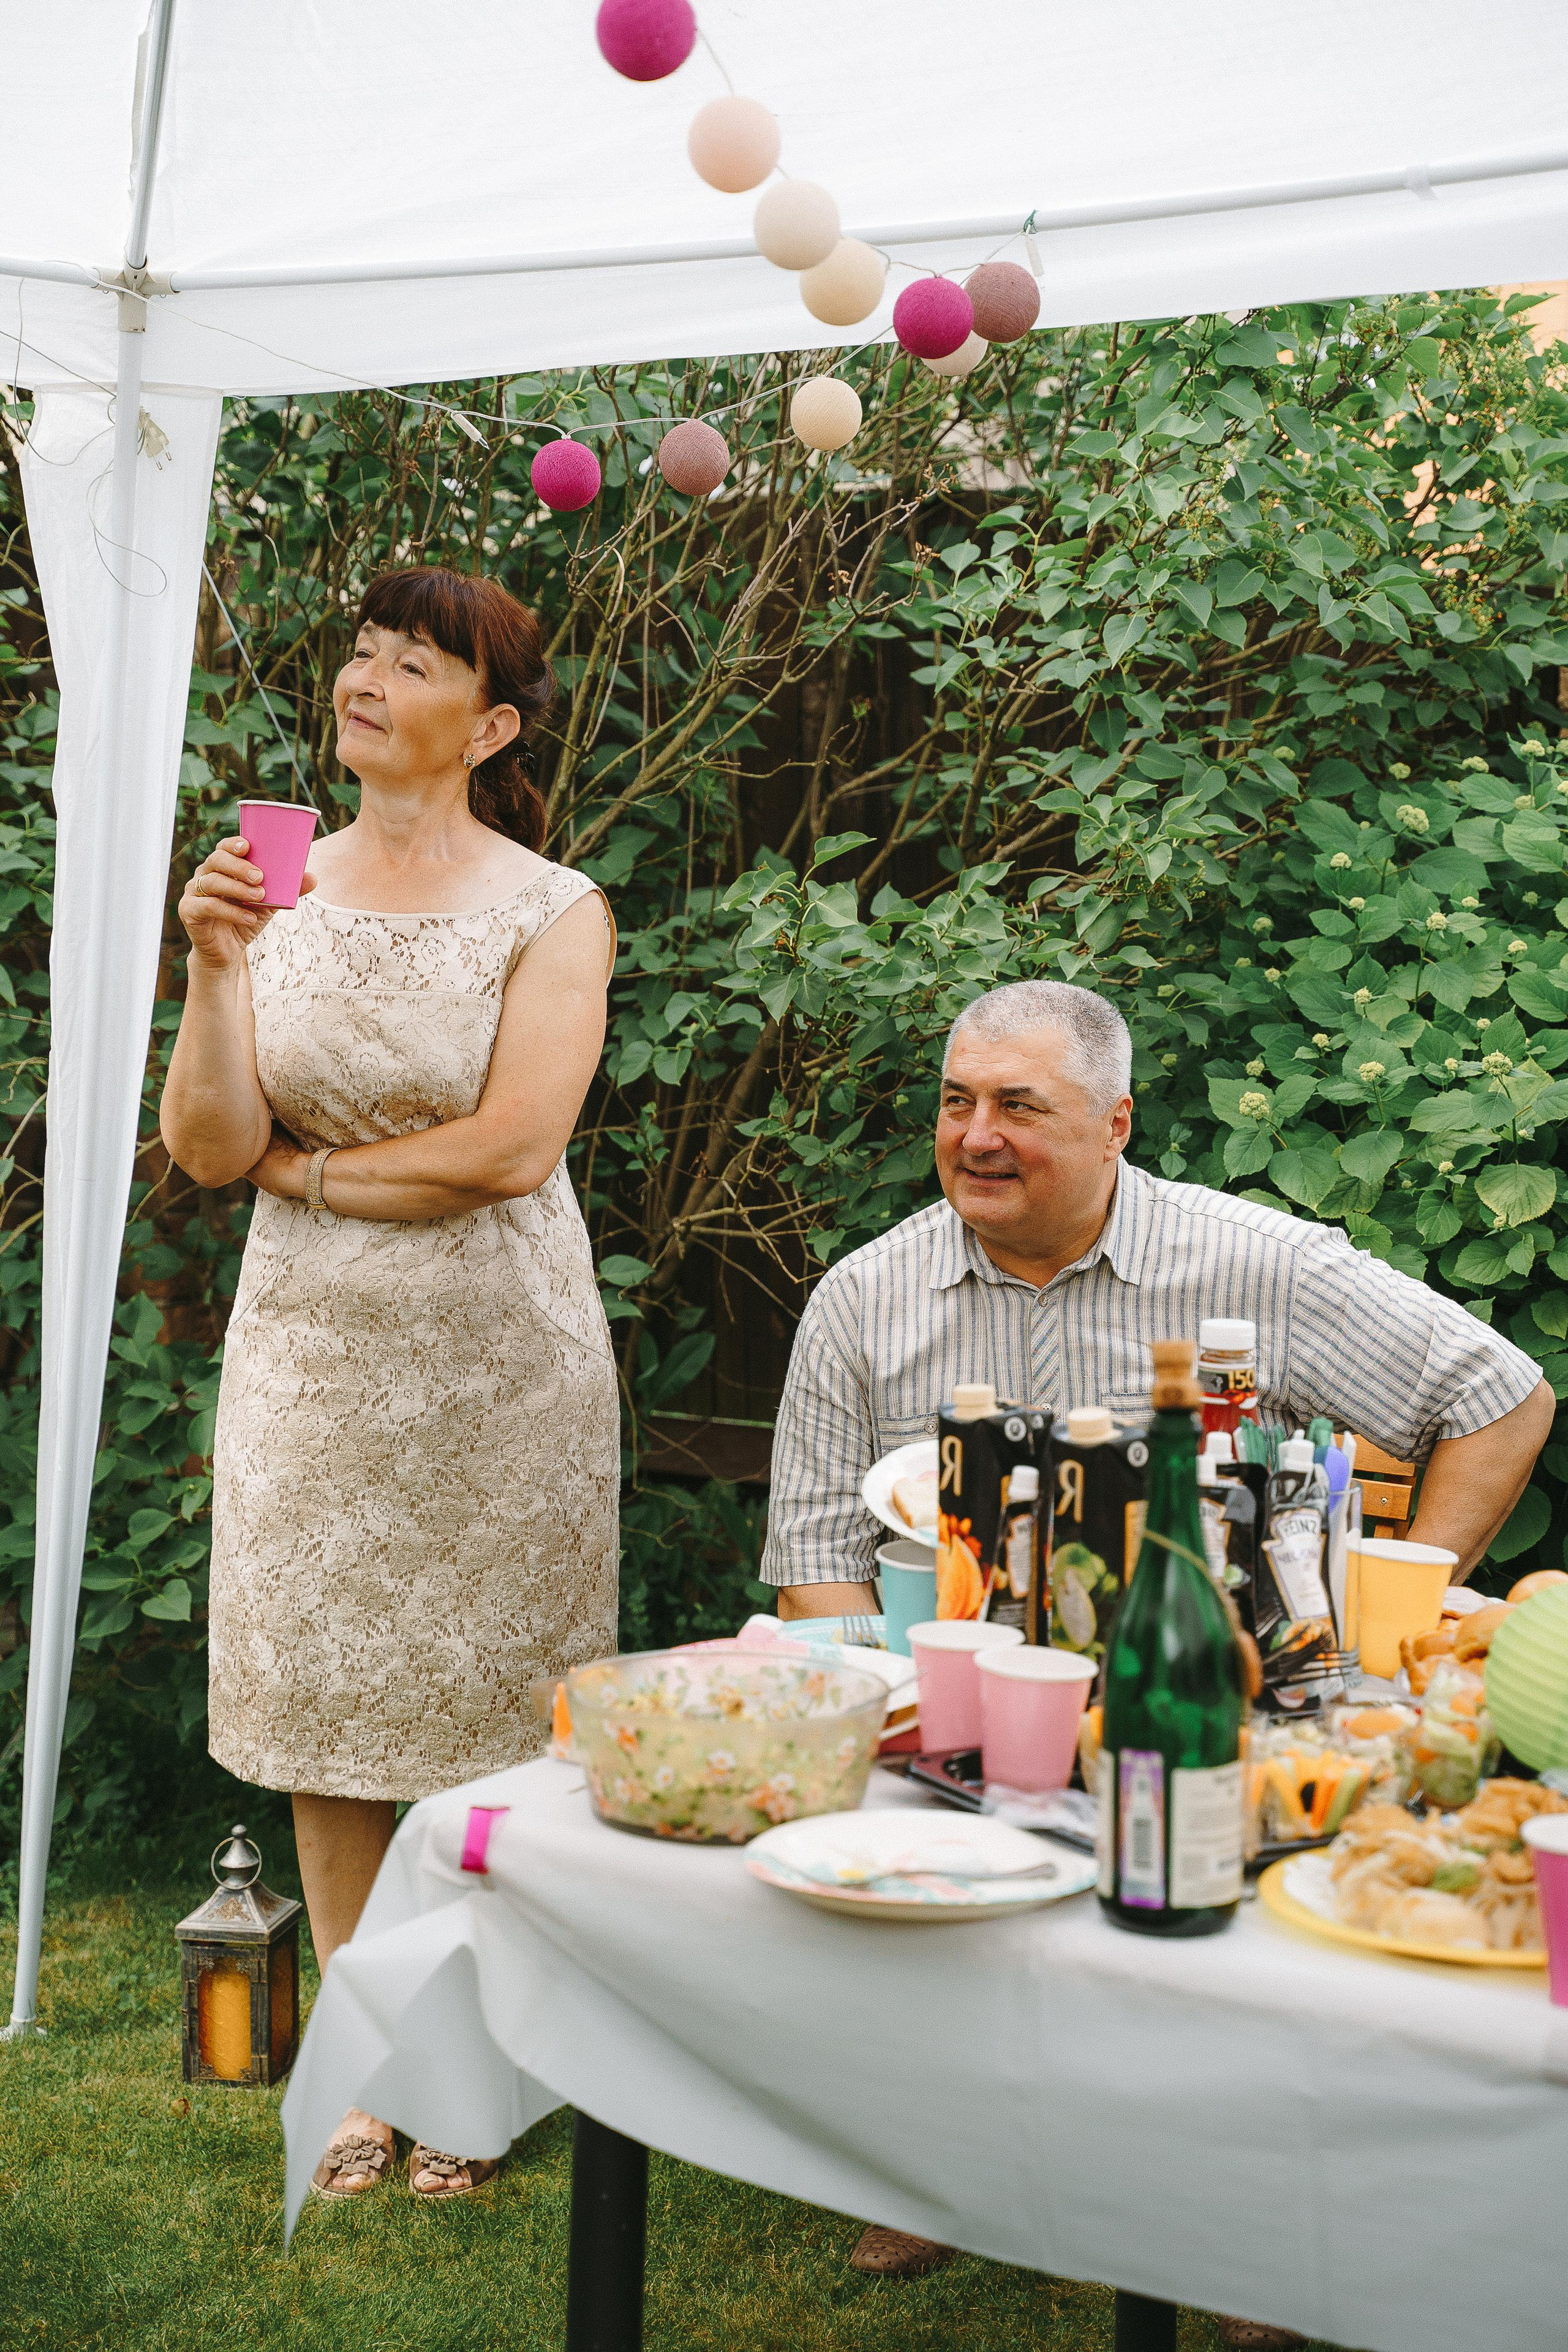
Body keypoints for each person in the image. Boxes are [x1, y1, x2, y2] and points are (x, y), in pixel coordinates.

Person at [761, 976, 1553, 2300]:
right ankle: (937, 2157)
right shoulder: (864, 1295)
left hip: (1212, 1688)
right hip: (960, 1699)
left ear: (1116, 1122)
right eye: (955, 1104)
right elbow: (811, 1566)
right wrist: (888, 1720)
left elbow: (1498, 1398)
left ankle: (1245, 2218)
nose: (975, 1136)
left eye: (1020, 1106)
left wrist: (1383, 1611)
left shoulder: (1253, 1262)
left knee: (1234, 1870)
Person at [160, 565, 619, 2204]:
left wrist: (319, 1178)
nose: (364, 677)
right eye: (359, 649)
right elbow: (210, 1146)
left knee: (493, 1725)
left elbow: (512, 1149)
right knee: (331, 1721)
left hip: (501, 1365)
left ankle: (476, 2077)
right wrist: (218, 966)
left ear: (485, 722)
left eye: (409, 661)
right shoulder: (273, 879)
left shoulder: (551, 904)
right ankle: (363, 2072)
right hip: (310, 1361)